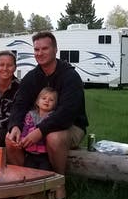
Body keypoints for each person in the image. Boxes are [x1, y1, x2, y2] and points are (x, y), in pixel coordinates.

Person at [6, 31, 88, 174]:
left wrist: (40, 131)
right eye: (36, 49)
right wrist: (15, 126)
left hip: (71, 126)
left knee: (53, 138)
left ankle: (57, 182)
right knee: (10, 139)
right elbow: (19, 104)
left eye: (45, 49)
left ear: (55, 50)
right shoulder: (31, 77)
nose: (40, 53)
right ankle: (26, 179)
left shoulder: (70, 77)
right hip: (35, 123)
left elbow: (67, 114)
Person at [21, 86, 57, 170]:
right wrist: (22, 139)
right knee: (28, 172)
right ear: (37, 102)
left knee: (44, 174)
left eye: (51, 100)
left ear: (55, 105)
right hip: (30, 153)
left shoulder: (52, 117)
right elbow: (25, 128)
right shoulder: (30, 115)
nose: (47, 101)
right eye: (44, 98)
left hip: (45, 155)